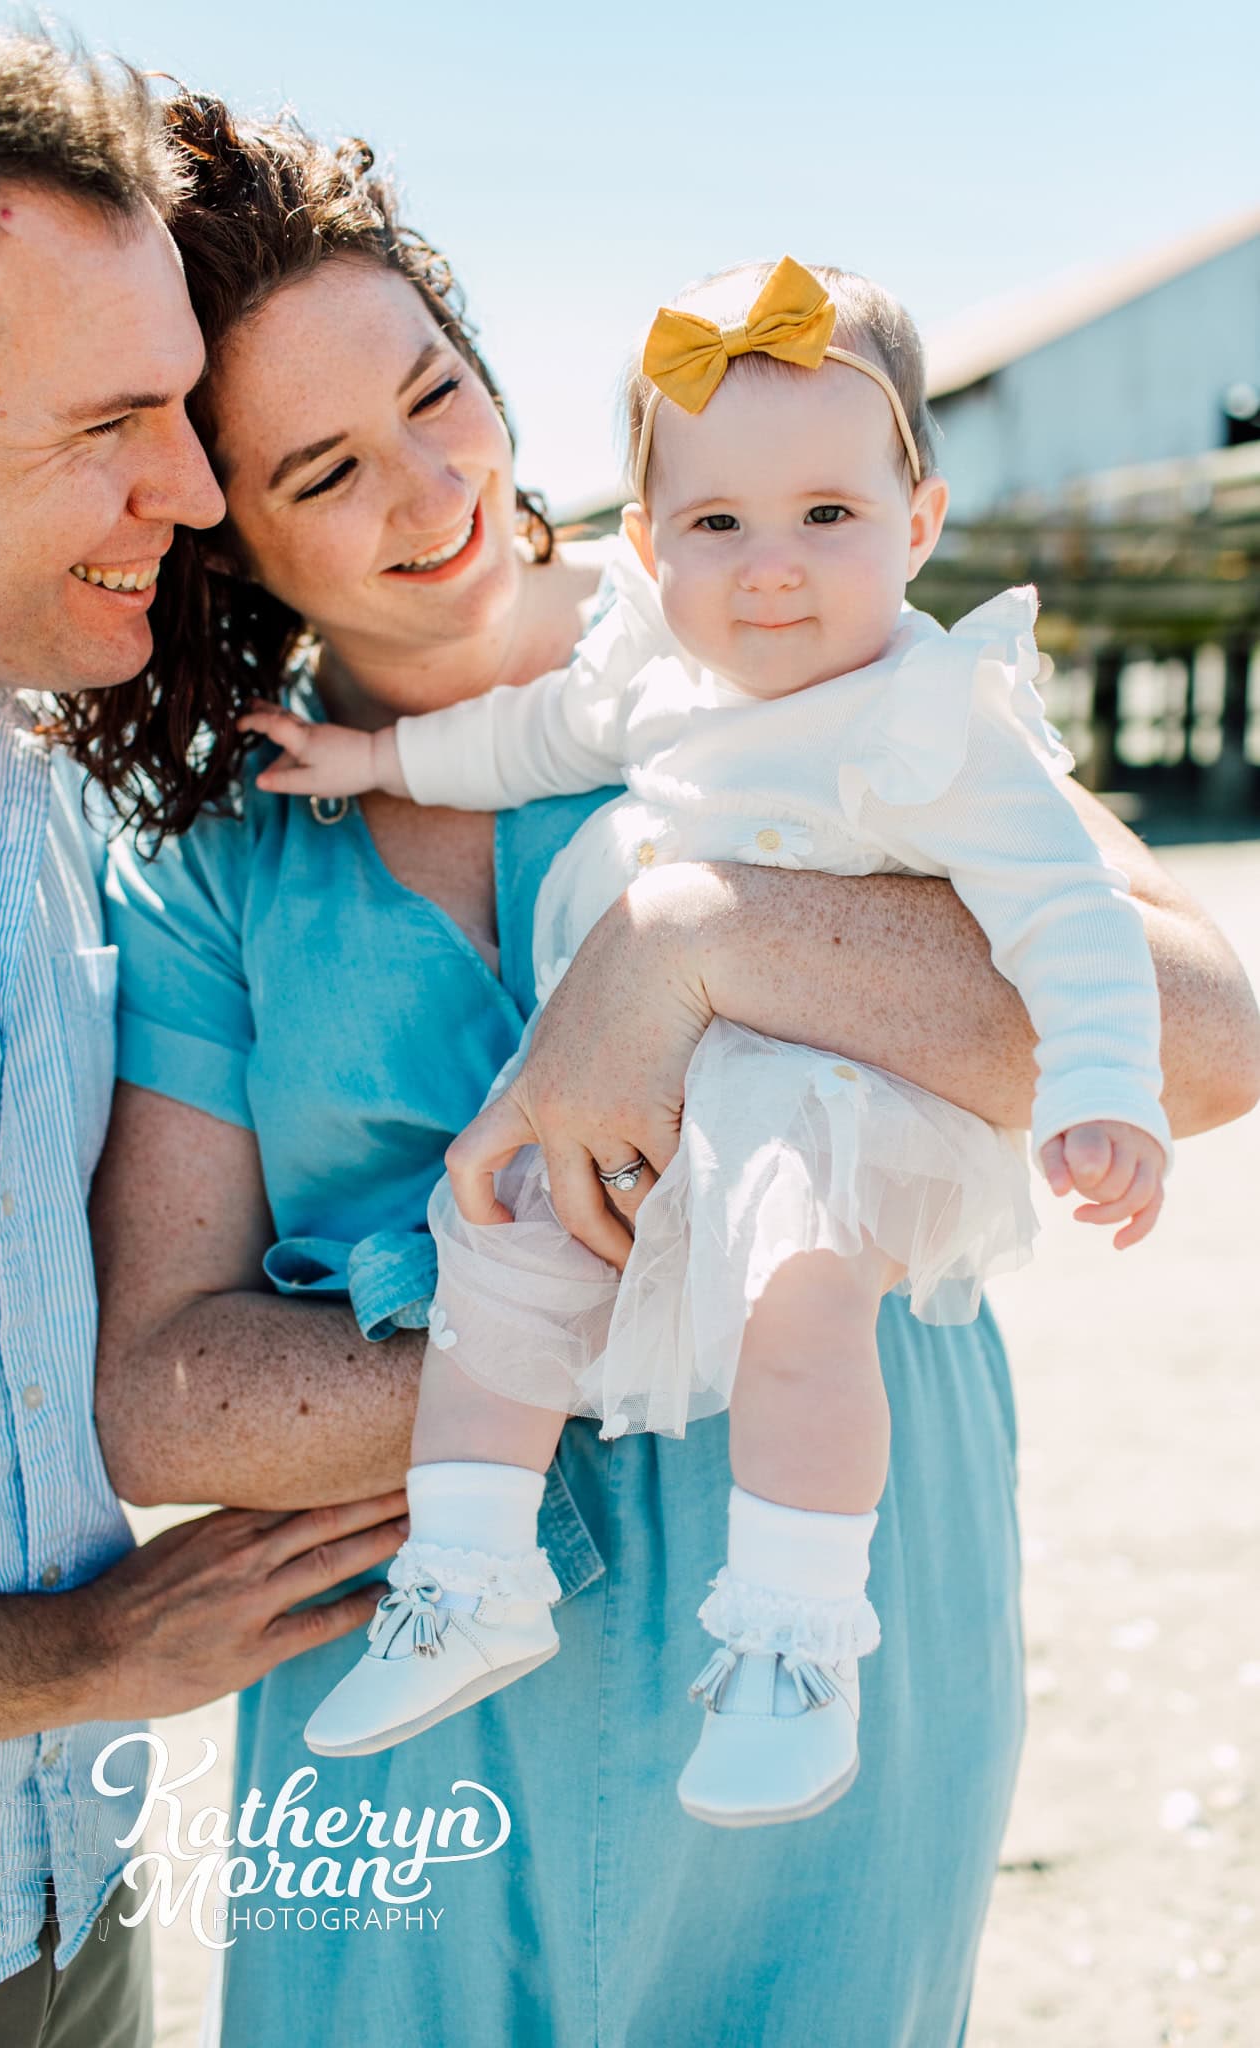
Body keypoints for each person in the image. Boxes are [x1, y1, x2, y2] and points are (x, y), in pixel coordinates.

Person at [89, 91, 1260, 2047]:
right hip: (412, 1676)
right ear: (231, 533)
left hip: (828, 1626)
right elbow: (159, 1396)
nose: (431, 489)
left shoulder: (777, 624)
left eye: (437, 391)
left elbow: (1205, 1030)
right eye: (322, 467)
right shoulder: (216, 862)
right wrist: (558, 1340)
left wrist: (689, 939)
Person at [238, 252, 1171, 1829]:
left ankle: (793, 1645)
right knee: (499, 1241)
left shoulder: (932, 717)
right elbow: (524, 737)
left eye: (828, 517)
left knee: (798, 1306)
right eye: (716, 526)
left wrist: (1101, 1087)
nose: (772, 571)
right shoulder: (653, 670)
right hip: (621, 1089)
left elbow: (1065, 912)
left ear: (919, 527)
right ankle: (470, 1574)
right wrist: (377, 751)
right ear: (647, 545)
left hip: (818, 1108)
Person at [0, 19, 409, 2044]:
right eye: (111, 420)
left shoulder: (47, 787)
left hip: (70, 1897)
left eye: (190, 410)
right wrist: (82, 1648)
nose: (193, 493)